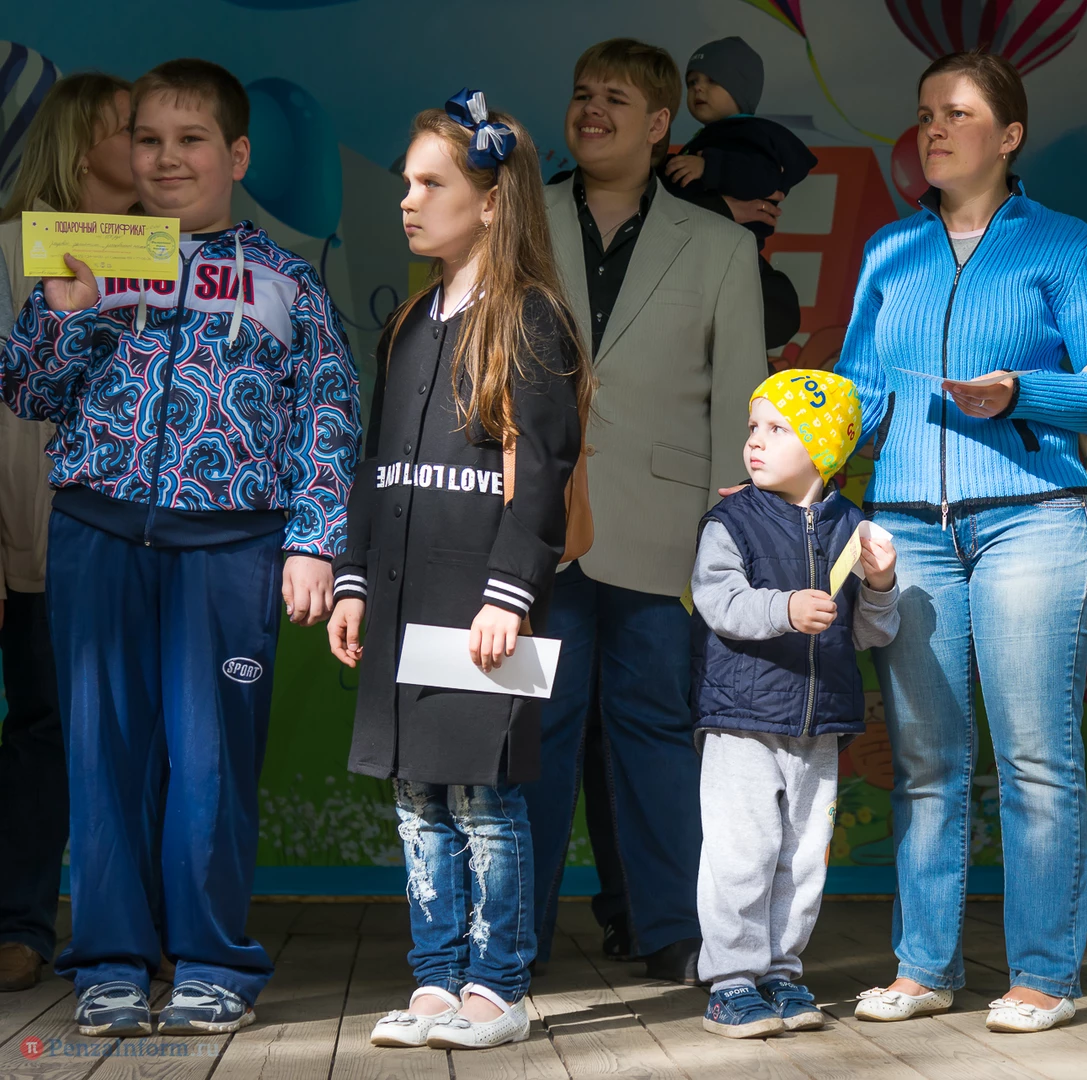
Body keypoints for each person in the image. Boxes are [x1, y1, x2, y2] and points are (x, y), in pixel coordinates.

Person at [1, 58, 361, 1036]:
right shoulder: (92, 255)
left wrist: (314, 542)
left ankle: (210, 961)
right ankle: (109, 963)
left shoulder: (286, 279)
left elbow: (328, 416)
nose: (166, 158)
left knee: (210, 765)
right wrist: (66, 315)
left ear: (235, 156)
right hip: (97, 534)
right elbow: (26, 391)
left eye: (190, 140)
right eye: (148, 140)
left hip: (230, 550)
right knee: (102, 760)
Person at [833, 50, 1087, 1034]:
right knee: (924, 762)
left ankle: (1044, 975)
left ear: (1009, 137)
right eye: (925, 111)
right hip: (906, 531)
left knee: (1035, 758)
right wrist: (788, 463)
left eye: (957, 113)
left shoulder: (1061, 243)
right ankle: (923, 967)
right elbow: (855, 394)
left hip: (1033, 518)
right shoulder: (889, 251)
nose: (933, 127)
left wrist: (1019, 393)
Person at [328, 90, 582, 1052]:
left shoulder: (530, 320)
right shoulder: (407, 323)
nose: (408, 199)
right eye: (406, 182)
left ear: (490, 201)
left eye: (431, 183)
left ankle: (497, 988)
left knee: (483, 797)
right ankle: (434, 980)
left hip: (480, 604)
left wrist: (509, 594)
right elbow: (374, 464)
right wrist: (353, 577)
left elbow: (543, 472)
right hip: (401, 595)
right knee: (416, 798)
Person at [523, 37, 767, 987]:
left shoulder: (720, 245)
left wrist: (727, 542)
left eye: (616, 99)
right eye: (582, 94)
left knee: (656, 730)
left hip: (667, 530)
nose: (592, 111)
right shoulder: (514, 220)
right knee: (532, 731)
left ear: (661, 123)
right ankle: (513, 938)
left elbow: (740, 401)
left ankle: (672, 927)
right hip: (532, 521)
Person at [691, 369, 899, 1039]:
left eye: (777, 429)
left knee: (804, 860)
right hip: (742, 721)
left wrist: (881, 585)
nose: (755, 441)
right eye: (753, 427)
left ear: (824, 448)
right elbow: (718, 601)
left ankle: (780, 972)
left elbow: (868, 633)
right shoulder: (732, 521)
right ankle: (730, 982)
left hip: (818, 727)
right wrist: (784, 608)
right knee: (740, 855)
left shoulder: (853, 528)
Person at [0, 71, 135, 995]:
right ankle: (20, 922)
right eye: (133, 128)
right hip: (35, 541)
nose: (154, 145)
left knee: (138, 737)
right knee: (43, 728)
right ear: (82, 142)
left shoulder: (171, 251)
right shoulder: (11, 248)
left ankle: (135, 929)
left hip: (143, 544)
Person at [664, 37, 818, 250]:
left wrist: (708, 166)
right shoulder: (712, 135)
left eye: (713, 80)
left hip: (727, 252)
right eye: (692, 82)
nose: (698, 87)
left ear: (741, 89)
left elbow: (764, 178)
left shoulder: (752, 134)